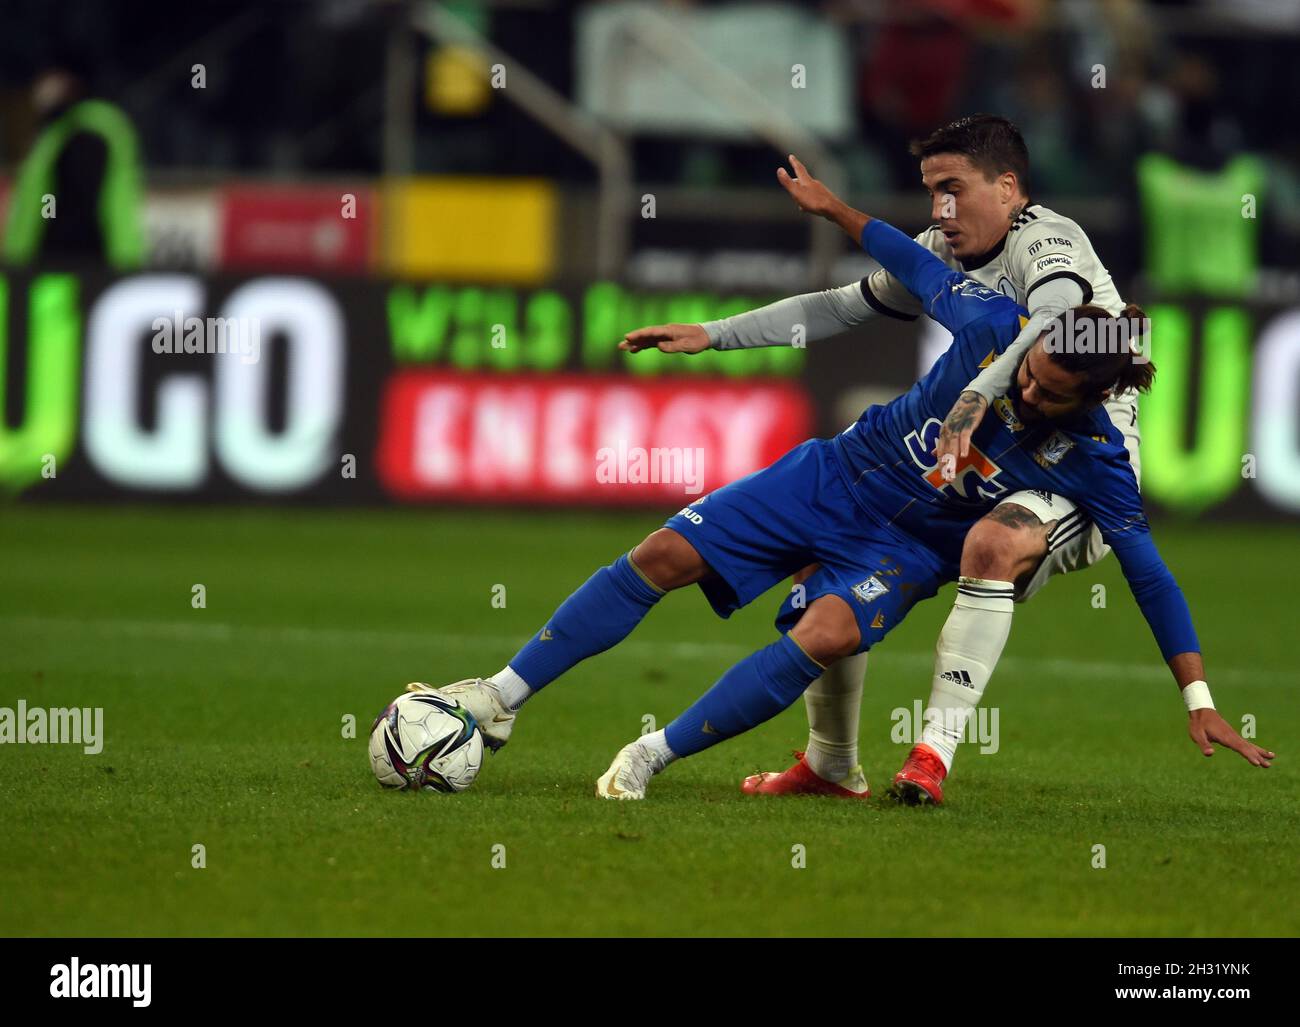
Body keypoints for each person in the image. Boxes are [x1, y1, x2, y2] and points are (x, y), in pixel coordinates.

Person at [414, 157, 1271, 802]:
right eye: (1033, 367)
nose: (1032, 385)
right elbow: (906, 257)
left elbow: (1150, 572)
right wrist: (835, 209)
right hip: (838, 472)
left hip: (907, 546)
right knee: (663, 553)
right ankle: (500, 696)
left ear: (1091, 397)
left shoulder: (1093, 456)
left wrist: (1196, 695)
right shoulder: (992, 321)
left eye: (1052, 389)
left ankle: (651, 755)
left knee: (824, 631)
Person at [621, 114, 1142, 803]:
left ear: (1009, 187)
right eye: (931, 192)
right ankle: (830, 763)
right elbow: (839, 306)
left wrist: (977, 395)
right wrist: (714, 334)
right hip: (998, 437)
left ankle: (932, 756)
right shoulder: (947, 250)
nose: (939, 210)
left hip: (1074, 455)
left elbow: (1054, 321)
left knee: (989, 544)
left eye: (952, 190)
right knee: (831, 555)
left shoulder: (1049, 242)